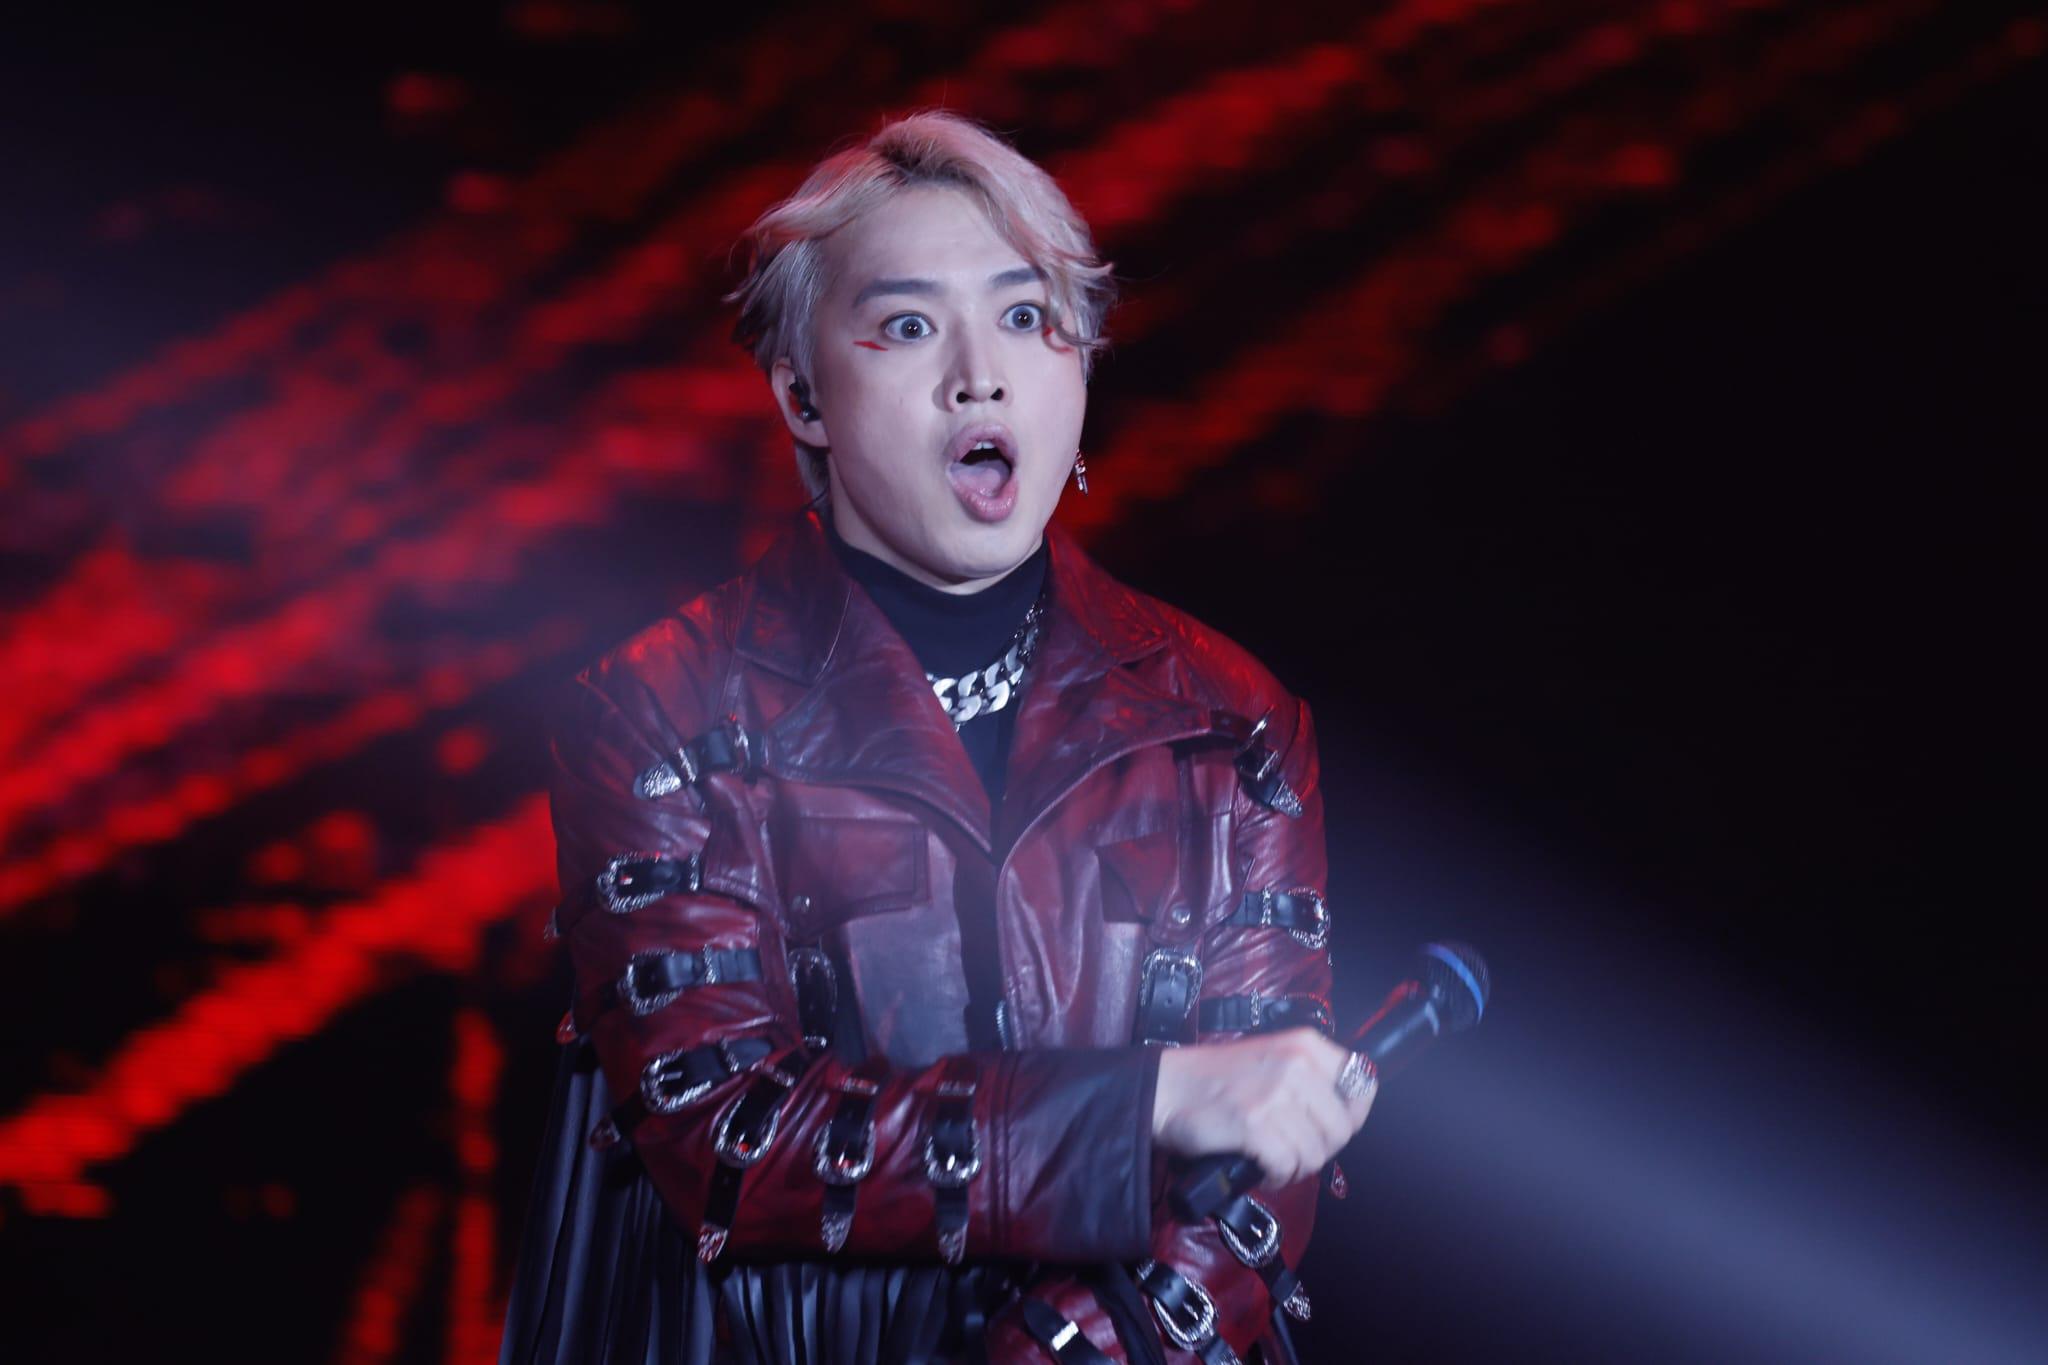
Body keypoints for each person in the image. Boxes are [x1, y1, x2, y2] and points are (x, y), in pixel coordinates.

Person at [498, 109, 1377, 1365]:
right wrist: (1145, 1105)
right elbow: (725, 1133)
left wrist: (1061, 1351)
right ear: (802, 395)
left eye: (1025, 317)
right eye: (908, 327)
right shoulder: (658, 708)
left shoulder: (1230, 724)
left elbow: (1252, 1190)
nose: (981, 374)